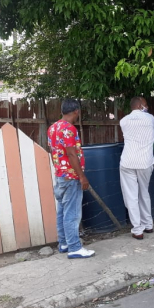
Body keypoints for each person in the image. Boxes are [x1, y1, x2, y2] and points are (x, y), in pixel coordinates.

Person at [48, 99, 95, 259]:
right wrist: (82, 176)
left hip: (60, 175)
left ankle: (64, 243)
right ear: (76, 111)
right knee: (72, 213)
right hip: (71, 176)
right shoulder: (69, 129)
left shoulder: (53, 128)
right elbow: (71, 154)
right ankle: (75, 247)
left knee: (62, 211)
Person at [119, 96, 154, 240]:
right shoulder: (150, 119)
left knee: (131, 196)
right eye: (146, 104)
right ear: (140, 105)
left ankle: (137, 230)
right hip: (145, 162)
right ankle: (148, 225)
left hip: (127, 162)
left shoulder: (123, 121)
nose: (147, 107)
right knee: (144, 192)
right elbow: (153, 133)